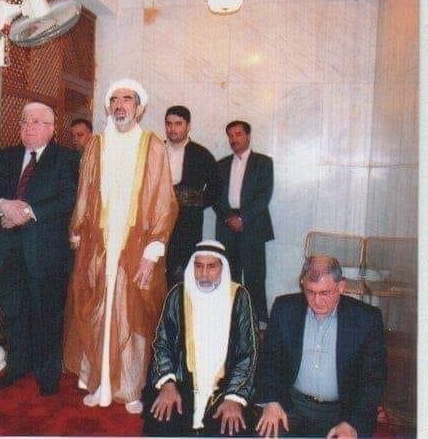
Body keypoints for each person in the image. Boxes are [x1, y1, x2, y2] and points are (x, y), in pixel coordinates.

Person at [63, 78, 178, 414]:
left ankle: (130, 387)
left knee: (132, 315)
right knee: (98, 310)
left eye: (127, 99)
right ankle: (98, 382)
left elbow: (163, 201)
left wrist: (152, 252)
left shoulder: (152, 145)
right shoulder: (96, 145)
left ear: (139, 108)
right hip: (98, 244)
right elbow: (84, 193)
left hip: (136, 246)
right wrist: (78, 232)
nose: (120, 105)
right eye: (114, 99)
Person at [0, 102, 79, 396]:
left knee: (47, 314)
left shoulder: (67, 158)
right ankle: (17, 365)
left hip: (46, 253)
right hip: (7, 250)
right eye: (24, 122)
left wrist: (27, 212)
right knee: (14, 312)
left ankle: (47, 375)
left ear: (51, 128)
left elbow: (68, 198)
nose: (28, 127)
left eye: (36, 122)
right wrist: (3, 206)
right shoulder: (8, 155)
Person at [255, 255, 387, 438]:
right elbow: (269, 361)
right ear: (302, 283)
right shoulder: (285, 308)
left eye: (325, 293)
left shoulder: (366, 318)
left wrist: (353, 423)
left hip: (343, 413)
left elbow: (373, 380)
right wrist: (271, 400)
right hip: (291, 406)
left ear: (341, 286)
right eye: (310, 292)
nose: (317, 301)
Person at [142, 240, 258, 436]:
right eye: (198, 266)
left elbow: (249, 352)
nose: (204, 274)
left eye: (211, 266)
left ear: (223, 267)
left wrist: (234, 397)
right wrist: (167, 384)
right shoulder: (178, 294)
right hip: (181, 383)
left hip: (224, 389)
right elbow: (162, 343)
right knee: (161, 423)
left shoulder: (239, 296)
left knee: (231, 429)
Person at [214, 120, 273, 325]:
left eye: (238, 134)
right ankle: (231, 321)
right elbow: (216, 196)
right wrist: (228, 217)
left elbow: (264, 196)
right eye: (230, 135)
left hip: (253, 224)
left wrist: (243, 218)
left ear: (248, 136)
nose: (233, 139)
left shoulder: (263, 163)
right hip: (226, 225)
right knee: (229, 275)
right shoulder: (221, 165)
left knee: (255, 276)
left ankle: (256, 323)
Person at [163, 105, 220, 283]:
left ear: (188, 126)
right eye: (169, 124)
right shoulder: (156, 150)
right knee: (158, 269)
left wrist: (197, 201)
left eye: (178, 124)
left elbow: (217, 186)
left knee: (184, 271)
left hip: (188, 223)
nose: (172, 128)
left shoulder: (201, 154)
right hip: (159, 222)